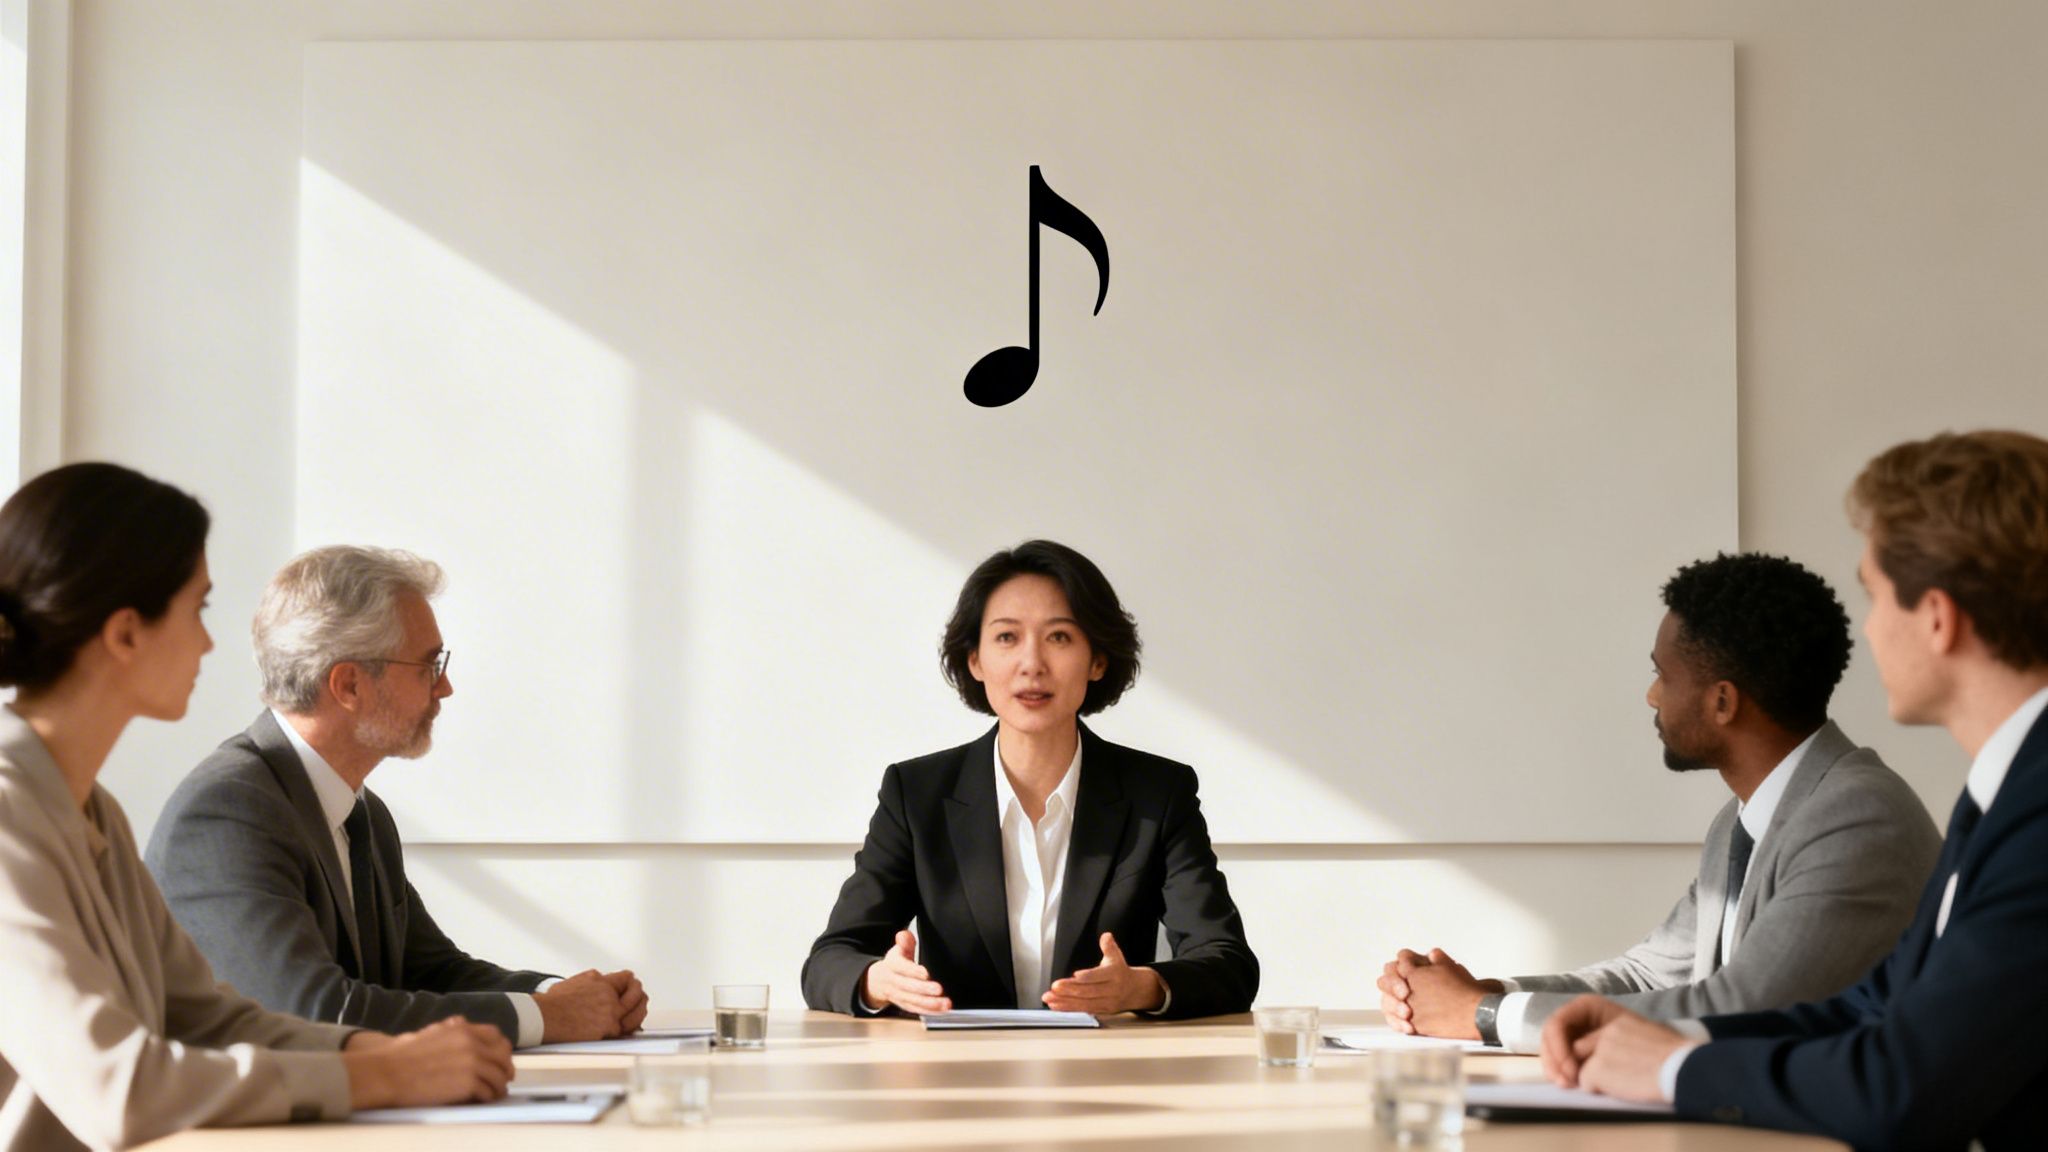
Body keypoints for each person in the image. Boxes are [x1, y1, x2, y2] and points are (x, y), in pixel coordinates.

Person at [1543, 430, 2048, 1150]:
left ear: (1937, 618)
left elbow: (1900, 1088)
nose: (1868, 631)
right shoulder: (2003, 791)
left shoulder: (2031, 809)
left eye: (1875, 597)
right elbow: (1876, 1006)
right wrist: (1650, 1036)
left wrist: (1675, 1067)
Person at [0, 464, 513, 1151]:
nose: (212, 643)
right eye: (198, 609)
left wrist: (377, 1055)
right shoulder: (10, 816)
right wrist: (380, 1076)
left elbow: (210, 1020)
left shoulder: (95, 813)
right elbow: (120, 1090)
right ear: (125, 634)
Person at [1378, 554, 1939, 1052]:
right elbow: (1649, 975)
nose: (1651, 695)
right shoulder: (1741, 821)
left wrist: (1483, 1018)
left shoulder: (1858, 817)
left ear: (1722, 701)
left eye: (1661, 675)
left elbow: (1743, 1010)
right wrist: (1486, 994)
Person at [145, 545, 647, 1047]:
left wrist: (570, 996)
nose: (444, 687)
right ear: (349, 685)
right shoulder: (227, 812)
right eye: (429, 665)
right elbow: (312, 1011)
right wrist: (547, 1017)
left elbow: (430, 971)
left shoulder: (362, 812)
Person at [802, 540, 1258, 1018]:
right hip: (959, 1074)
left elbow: (1229, 963)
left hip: (1106, 1069)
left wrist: (1141, 988)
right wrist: (878, 980)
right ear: (975, 660)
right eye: (1006, 638)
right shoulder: (917, 794)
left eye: (1059, 637)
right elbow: (828, 962)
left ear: (1097, 660)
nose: (1032, 664)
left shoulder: (1158, 794)